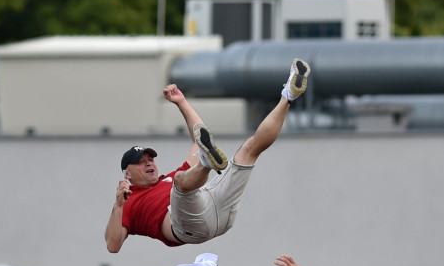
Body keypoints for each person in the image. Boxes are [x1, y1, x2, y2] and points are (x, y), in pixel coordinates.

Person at [105, 59, 310, 252]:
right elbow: (113, 246)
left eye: (150, 159)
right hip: (189, 227)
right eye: (141, 162)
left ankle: (288, 96)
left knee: (248, 151)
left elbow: (198, 140)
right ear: (127, 174)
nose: (149, 163)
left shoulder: (166, 179)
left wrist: (181, 102)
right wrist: (118, 205)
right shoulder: (127, 203)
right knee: (181, 181)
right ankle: (205, 163)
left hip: (215, 206)